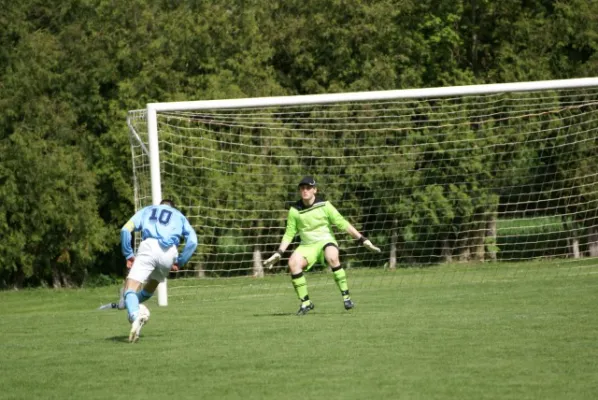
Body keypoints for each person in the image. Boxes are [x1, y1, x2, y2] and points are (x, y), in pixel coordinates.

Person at [263, 176, 381, 315]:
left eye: (308, 188)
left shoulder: (325, 205)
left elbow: (342, 224)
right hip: (307, 245)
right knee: (293, 263)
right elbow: (289, 234)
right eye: (302, 188)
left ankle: (346, 298)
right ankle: (306, 303)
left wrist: (362, 239)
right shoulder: (294, 210)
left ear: (315, 190)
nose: (305, 190)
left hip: (326, 240)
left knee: (332, 256)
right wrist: (279, 252)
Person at [119, 198, 198, 342]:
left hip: (149, 246)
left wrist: (128, 254)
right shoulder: (179, 216)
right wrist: (180, 261)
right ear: (173, 207)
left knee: (129, 288)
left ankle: (134, 314)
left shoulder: (148, 210)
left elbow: (125, 229)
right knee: (151, 286)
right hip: (169, 253)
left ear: (160, 205)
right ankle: (131, 304)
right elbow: (193, 241)